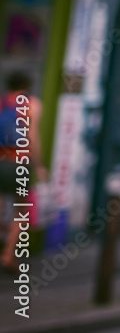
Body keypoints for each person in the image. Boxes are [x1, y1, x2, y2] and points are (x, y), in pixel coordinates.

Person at [0, 71, 47, 272]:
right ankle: (8, 255)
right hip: (20, 161)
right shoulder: (32, 104)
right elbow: (32, 136)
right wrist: (39, 165)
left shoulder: (2, 103)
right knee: (21, 212)